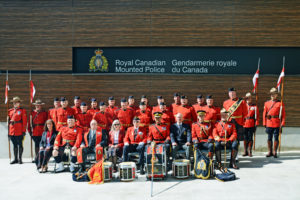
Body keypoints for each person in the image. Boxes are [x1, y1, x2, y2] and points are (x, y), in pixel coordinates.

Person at [263, 87, 286, 158]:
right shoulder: (267, 103)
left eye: (274, 94)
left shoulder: (280, 103)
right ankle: (270, 151)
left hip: (276, 123)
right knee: (269, 137)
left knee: (276, 138)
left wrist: (282, 124)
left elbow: (283, 115)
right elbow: (264, 113)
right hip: (269, 122)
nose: (272, 95)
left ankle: (274, 151)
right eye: (271, 94)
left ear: (276, 95)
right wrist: (264, 123)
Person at [8, 97, 27, 164]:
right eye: (14, 102)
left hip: (19, 130)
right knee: (14, 145)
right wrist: (8, 132)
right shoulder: (10, 111)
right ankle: (15, 159)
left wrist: (24, 131)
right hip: (12, 131)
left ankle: (20, 159)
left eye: (16, 102)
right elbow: (8, 122)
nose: (15, 103)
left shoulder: (22, 111)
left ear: (19, 103)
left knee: (20, 144)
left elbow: (24, 122)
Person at [28, 99, 48, 164]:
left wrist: (46, 131)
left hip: (42, 131)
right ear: (35, 106)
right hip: (34, 132)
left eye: (39, 105)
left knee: (42, 145)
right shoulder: (32, 113)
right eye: (37, 105)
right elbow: (29, 123)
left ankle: (42, 157)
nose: (38, 107)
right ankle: (37, 157)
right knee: (36, 145)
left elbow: (46, 122)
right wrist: (29, 131)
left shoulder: (44, 113)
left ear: (41, 106)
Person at [243, 92, 259, 157]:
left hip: (251, 124)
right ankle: (245, 151)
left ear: (251, 99)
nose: (248, 99)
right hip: (244, 124)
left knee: (250, 138)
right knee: (245, 138)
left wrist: (256, 124)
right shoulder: (243, 106)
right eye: (247, 98)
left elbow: (257, 116)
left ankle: (250, 151)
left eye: (249, 98)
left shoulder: (254, 106)